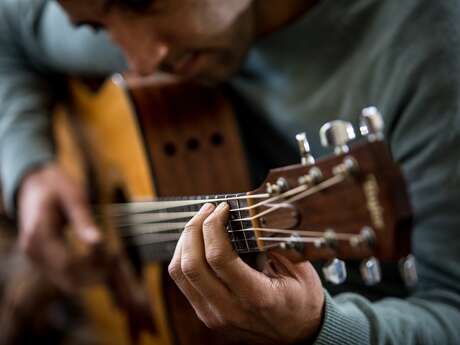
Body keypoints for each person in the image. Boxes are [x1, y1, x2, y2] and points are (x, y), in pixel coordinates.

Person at [1, 0, 460, 344]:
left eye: (145, 1)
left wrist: (320, 328)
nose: (140, 61)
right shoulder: (121, 13)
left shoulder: (432, 57)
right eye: (95, 26)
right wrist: (29, 170)